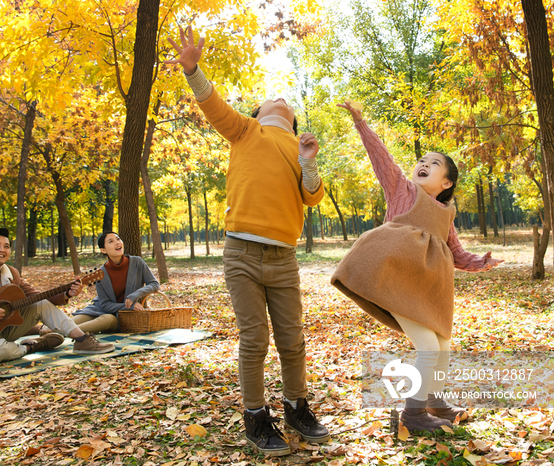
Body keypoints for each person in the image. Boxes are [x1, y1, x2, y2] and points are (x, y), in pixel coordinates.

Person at [167, 27, 328, 456]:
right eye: (269, 100)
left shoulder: (298, 148)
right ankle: (256, 416)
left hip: (283, 259)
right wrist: (193, 70)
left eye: (284, 102)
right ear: (257, 114)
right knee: (254, 339)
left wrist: (308, 163)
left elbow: (312, 195)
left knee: (292, 339)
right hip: (241, 254)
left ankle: (297, 406)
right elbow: (214, 106)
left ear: (292, 121)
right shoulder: (245, 131)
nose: (278, 96)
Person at [332, 101, 503, 433]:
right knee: (428, 347)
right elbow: (382, 160)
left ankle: (435, 402)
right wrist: (361, 123)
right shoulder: (403, 191)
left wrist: (481, 262)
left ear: (447, 183)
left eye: (433, 163)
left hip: (429, 289)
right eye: (421, 161)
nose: (423, 164)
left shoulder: (445, 214)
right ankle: (412, 416)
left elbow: (456, 254)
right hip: (400, 281)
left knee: (441, 346)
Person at [0, 227, 115, 363]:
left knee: (41, 303)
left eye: (6, 246)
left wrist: (67, 293)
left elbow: (38, 296)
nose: (2, 249)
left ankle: (82, 339)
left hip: (2, 330)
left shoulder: (11, 274)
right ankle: (32, 346)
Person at [61, 231, 160, 334]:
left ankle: (64, 333)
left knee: (109, 319)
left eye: (118, 239)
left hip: (115, 317)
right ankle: (48, 333)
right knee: (68, 323)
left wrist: (135, 295)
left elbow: (154, 284)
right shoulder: (100, 273)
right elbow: (104, 304)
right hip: (97, 309)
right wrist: (127, 306)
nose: (117, 242)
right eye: (111, 241)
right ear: (103, 250)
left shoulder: (137, 262)